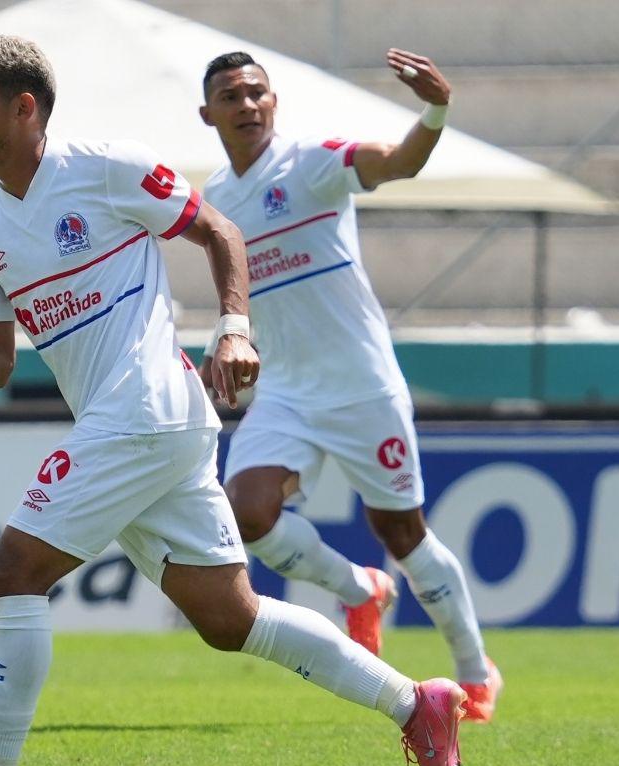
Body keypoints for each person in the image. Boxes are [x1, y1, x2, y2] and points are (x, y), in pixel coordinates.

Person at [0, 36, 468, 766]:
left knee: (13, 572)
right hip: (140, 426)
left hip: (147, 407)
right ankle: (417, 703)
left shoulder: (107, 167)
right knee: (231, 619)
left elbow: (219, 231)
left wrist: (235, 327)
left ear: (24, 109)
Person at [197, 50, 501, 721]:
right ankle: (357, 590)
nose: (247, 105)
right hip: (286, 391)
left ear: (273, 102)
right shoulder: (216, 199)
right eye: (231, 96)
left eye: (256, 92)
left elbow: (400, 162)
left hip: (362, 385)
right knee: (244, 512)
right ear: (207, 114)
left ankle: (476, 673)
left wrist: (436, 109)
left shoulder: (310, 162)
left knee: (403, 535)